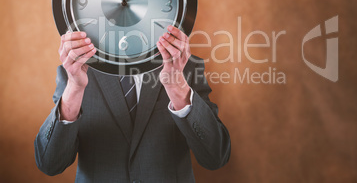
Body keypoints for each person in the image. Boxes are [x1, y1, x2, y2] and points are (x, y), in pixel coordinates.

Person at [34, 25, 231, 183]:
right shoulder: (76, 69)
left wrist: (177, 86)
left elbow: (215, 157)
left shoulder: (184, 66)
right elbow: (50, 164)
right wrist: (74, 89)